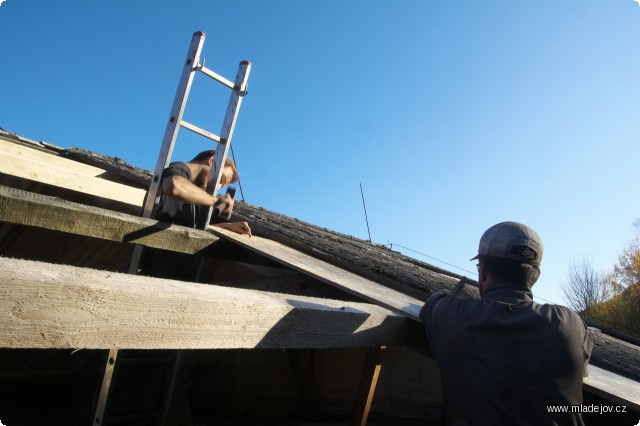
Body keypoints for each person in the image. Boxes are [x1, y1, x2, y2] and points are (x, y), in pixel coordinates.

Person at [420, 221, 593, 426]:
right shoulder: (571, 324)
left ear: (482, 270)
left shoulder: (452, 316)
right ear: (535, 276)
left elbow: (432, 303)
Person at [140, 150, 251, 280]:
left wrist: (228, 227)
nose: (217, 187)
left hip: (171, 279)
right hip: (149, 274)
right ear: (212, 161)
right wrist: (215, 201)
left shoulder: (193, 198)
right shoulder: (178, 169)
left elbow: (196, 227)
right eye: (221, 179)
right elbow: (174, 186)